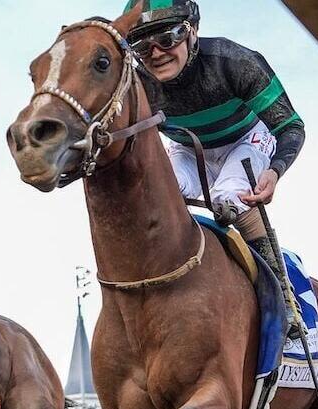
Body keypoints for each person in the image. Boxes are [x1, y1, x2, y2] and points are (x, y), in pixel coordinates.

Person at [123, 0, 304, 288]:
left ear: (192, 30)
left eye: (168, 38)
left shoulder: (235, 61)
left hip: (246, 141)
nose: (156, 54)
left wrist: (275, 171)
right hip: (187, 149)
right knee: (152, 195)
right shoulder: (136, 84)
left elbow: (290, 126)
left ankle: (283, 295)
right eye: (142, 48)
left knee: (229, 197)